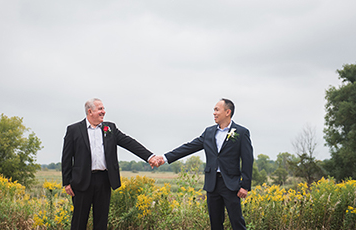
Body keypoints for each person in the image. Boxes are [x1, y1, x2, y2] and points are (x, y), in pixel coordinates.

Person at [152, 98, 253, 230]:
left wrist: (245, 185)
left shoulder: (241, 132)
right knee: (215, 224)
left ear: (227, 112)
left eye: (217, 110)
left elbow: (248, 159)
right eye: (214, 110)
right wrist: (164, 158)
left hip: (231, 184)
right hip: (212, 184)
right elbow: (189, 147)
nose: (214, 113)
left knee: (237, 222)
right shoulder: (209, 132)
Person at [62, 98, 158, 230]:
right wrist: (66, 182)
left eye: (103, 108)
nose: (104, 112)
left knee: (101, 222)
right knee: (79, 221)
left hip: (104, 180)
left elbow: (129, 142)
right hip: (81, 181)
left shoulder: (110, 128)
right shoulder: (74, 130)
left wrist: (149, 156)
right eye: (100, 109)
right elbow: (66, 157)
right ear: (90, 111)